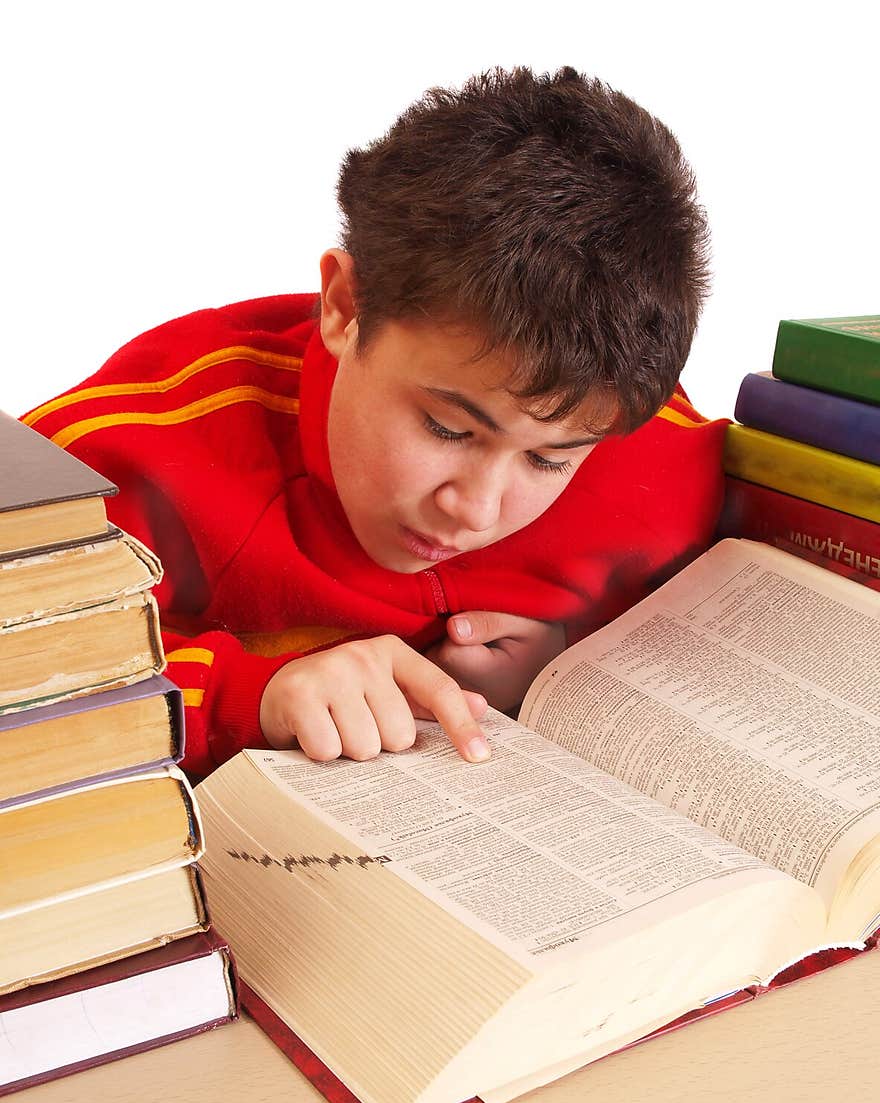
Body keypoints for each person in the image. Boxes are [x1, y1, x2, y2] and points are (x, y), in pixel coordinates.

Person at [21, 66, 728, 779]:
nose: (474, 511)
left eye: (549, 460)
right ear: (344, 306)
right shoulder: (137, 450)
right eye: (448, 428)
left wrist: (579, 665)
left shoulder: (660, 452)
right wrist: (250, 695)